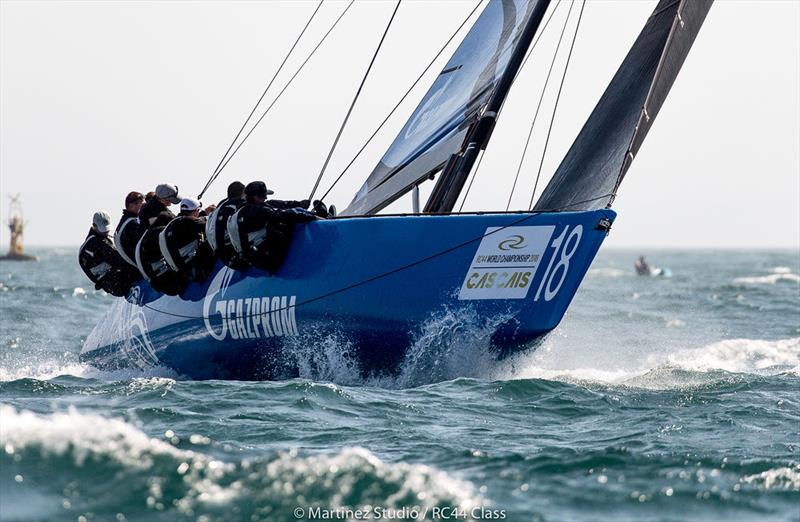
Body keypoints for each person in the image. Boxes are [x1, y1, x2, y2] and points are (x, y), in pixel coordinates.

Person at [228, 181, 318, 272]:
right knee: (285, 221)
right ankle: (318, 219)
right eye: (263, 196)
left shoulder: (239, 211)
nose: (265, 198)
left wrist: (297, 204)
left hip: (250, 257)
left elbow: (271, 206)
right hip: (267, 260)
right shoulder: (256, 211)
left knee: (277, 211)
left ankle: (311, 213)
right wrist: (312, 217)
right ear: (255, 197)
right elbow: (283, 215)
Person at [78, 211, 141, 297]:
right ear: (94, 226)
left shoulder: (100, 238)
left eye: (107, 229)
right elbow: (119, 260)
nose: (106, 232)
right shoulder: (95, 243)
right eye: (103, 229)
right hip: (115, 285)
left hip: (112, 278)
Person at [160, 197, 215, 282]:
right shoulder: (189, 221)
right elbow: (211, 225)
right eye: (198, 211)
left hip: (183, 268)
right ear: (196, 211)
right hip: (194, 265)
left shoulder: (174, 222)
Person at [206, 181, 249, 270]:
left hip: (219, 250)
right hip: (230, 249)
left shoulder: (223, 204)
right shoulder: (235, 205)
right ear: (242, 193)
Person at [114, 191, 145, 267]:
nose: (143, 206)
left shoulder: (124, 221)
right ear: (131, 206)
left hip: (129, 267)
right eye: (141, 204)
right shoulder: (132, 224)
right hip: (137, 269)